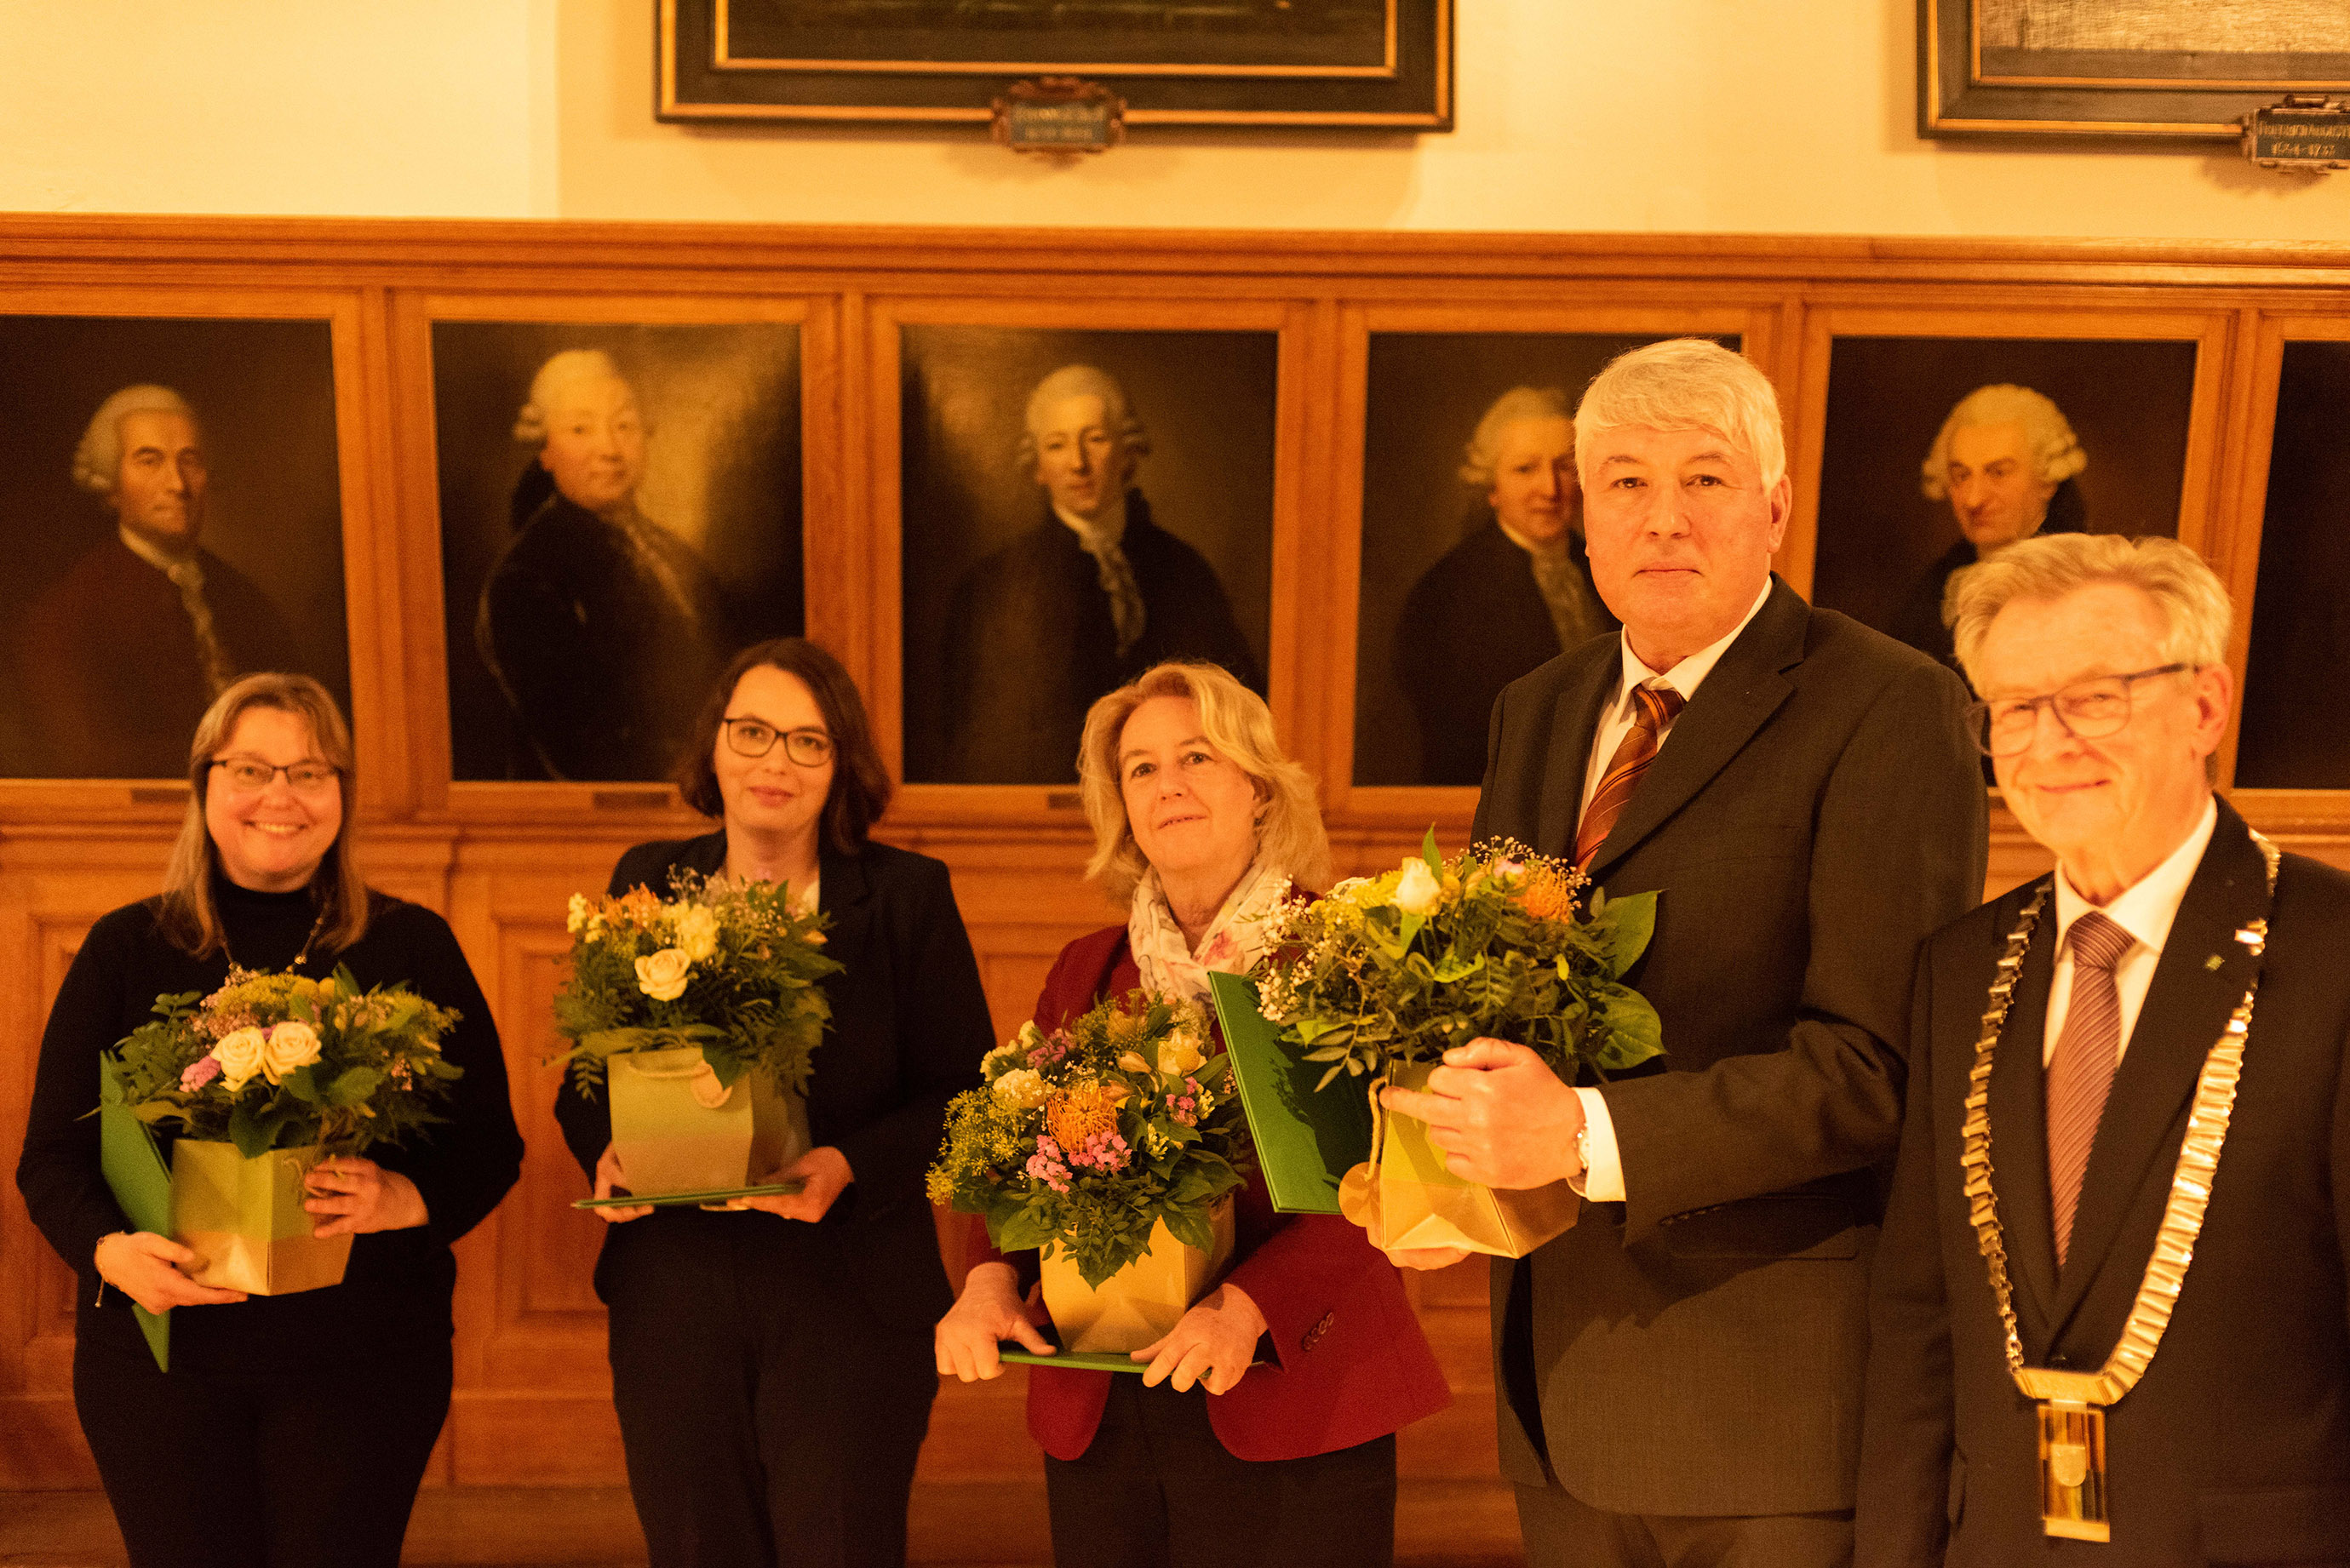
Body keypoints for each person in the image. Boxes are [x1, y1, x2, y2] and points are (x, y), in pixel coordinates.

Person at [1384, 338, 1987, 1566]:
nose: (1664, 520)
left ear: (1775, 506)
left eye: (1705, 480)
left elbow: (1876, 1067)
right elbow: (1501, 1000)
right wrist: (1438, 1170)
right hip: (1555, 1383)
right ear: (1583, 519)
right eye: (1624, 482)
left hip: (1760, 1406)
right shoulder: (1537, 706)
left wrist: (1585, 1138)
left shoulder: (1892, 705)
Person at [1859, 535, 2350, 1565]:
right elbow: (1920, 1322)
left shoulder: (2333, 957)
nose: (2050, 743)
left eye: (2097, 697)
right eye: (2016, 709)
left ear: (2205, 707)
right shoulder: (1961, 970)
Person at [933, 660, 1451, 1568]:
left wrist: (1246, 1306)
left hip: (1291, 1394)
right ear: (1121, 806)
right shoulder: (1087, 970)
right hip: (1105, 1401)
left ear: (1258, 786)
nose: (1167, 783)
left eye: (1197, 756)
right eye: (1140, 768)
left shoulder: (1342, 946)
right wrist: (988, 1278)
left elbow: (1391, 1179)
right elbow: (1021, 1159)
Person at [14, 672, 524, 1568]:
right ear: (204, 782)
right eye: (252, 768)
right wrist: (109, 1251)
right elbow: (53, 1157)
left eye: (311, 772)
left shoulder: (412, 945)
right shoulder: (124, 947)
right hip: (163, 1361)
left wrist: (405, 1195)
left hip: (365, 1362)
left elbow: (488, 1145)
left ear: (342, 796)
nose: (280, 797)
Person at [553, 636, 994, 1568]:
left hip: (848, 1287)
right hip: (674, 1283)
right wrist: (610, 1150)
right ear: (713, 747)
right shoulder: (646, 878)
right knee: (695, 1543)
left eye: (807, 741)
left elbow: (964, 1092)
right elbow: (588, 1075)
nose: (774, 762)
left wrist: (844, 1165)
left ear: (843, 767)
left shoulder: (908, 896)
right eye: (752, 732)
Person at [937, 363, 1262, 783]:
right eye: (1057, 445)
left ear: (1127, 452)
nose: (1078, 464)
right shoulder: (990, 587)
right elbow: (969, 741)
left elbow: (1238, 715)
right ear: (1037, 465)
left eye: (1095, 439)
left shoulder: (1184, 571)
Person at [476, 349, 734, 781]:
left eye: (624, 426)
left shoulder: (676, 555)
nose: (610, 449)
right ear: (546, 451)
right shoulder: (527, 577)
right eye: (580, 429)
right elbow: (584, 752)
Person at [19, 385, 302, 777]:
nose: (177, 485)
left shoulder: (245, 601)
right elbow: (94, 759)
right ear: (110, 483)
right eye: (149, 461)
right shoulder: (69, 616)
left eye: (190, 461)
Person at [1399, 386, 1616, 784]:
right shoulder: (1448, 592)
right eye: (1525, 469)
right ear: (1491, 488)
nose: (1550, 489)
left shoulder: (1613, 567)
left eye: (1564, 466)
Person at [1889, 383, 2087, 668]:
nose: (1974, 499)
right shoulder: (1932, 592)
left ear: (2047, 479)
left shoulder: (2084, 584)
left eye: (1998, 473)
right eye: (1961, 476)